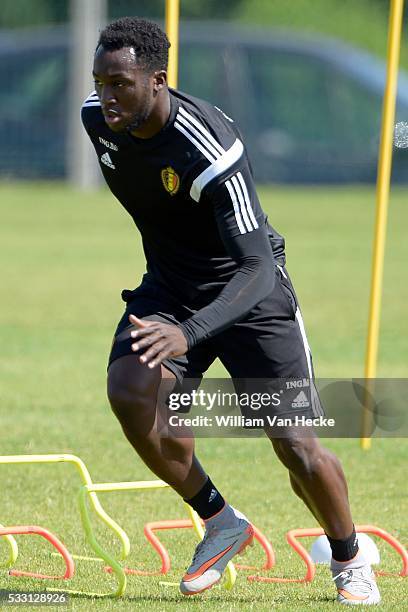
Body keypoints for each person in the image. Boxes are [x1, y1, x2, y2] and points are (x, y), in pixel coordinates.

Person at [81, 16, 380, 604]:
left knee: (295, 444)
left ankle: (348, 558)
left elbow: (258, 266)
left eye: (120, 83)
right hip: (171, 286)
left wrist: (189, 333)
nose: (106, 96)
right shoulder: (99, 120)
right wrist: (175, 314)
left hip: (251, 293)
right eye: (100, 81)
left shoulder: (212, 147)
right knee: (131, 391)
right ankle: (222, 521)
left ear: (158, 81)